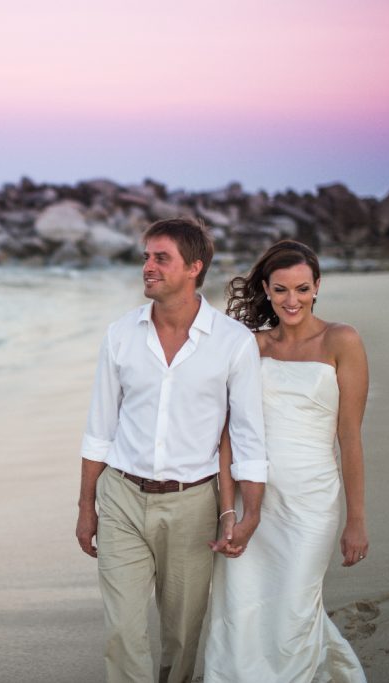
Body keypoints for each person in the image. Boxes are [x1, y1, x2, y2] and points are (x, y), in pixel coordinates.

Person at [76, 218, 268, 683]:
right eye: (146, 256)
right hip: (120, 496)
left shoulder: (232, 342)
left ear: (194, 267)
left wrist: (251, 513)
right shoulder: (120, 334)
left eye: (161, 258)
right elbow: (99, 427)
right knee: (122, 629)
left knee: (182, 634)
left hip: (192, 504)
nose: (148, 266)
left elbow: (246, 435)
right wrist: (86, 504)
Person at [203, 239, 370, 682]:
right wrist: (227, 507)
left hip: (312, 499)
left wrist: (357, 520)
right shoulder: (251, 347)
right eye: (280, 290)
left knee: (294, 609)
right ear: (266, 289)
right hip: (252, 494)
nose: (291, 300)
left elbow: (349, 438)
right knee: (242, 606)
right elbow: (227, 435)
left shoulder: (342, 340)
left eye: (301, 289)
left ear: (317, 287)